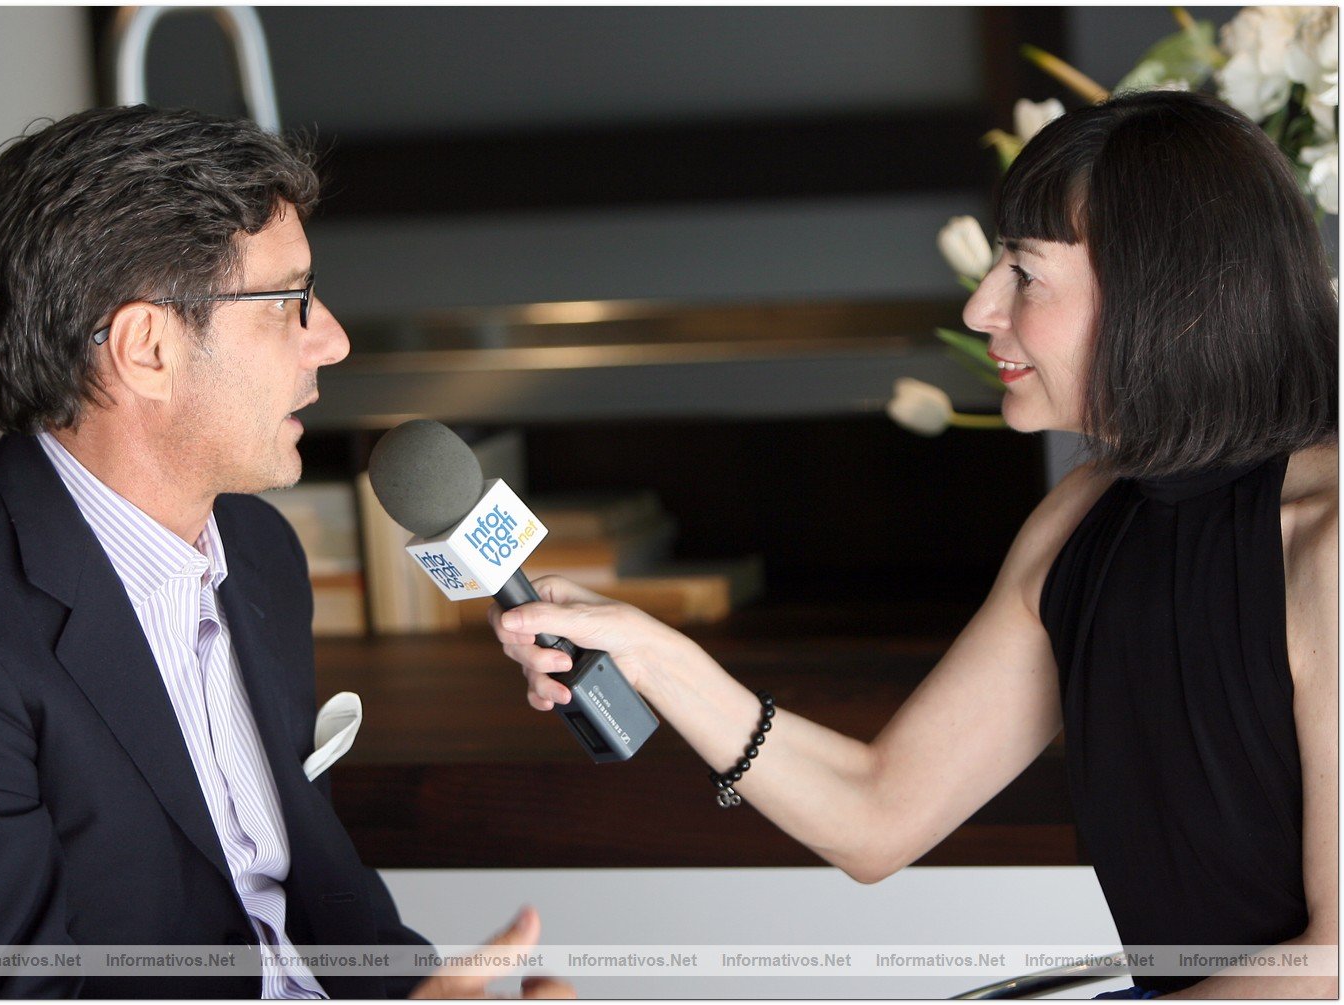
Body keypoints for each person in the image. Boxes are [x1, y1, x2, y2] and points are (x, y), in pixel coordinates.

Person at [492, 89, 1338, 998]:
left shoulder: (1326, 552)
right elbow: (877, 814)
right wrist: (656, 656)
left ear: (1159, 293)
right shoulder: (1086, 515)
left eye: (1024, 270)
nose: (980, 307)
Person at [0, 105, 570, 1000]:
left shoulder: (262, 551)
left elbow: (314, 910)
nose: (333, 339)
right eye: (289, 302)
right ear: (148, 348)